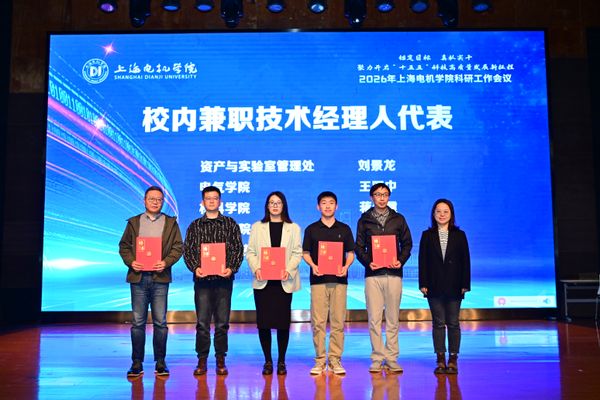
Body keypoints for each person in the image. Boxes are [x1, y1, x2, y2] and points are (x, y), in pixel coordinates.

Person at [118, 185, 183, 377]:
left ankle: (160, 362)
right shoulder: (134, 222)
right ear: (144, 201)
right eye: (152, 199)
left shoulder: (170, 223)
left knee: (160, 322)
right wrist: (131, 262)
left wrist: (166, 262)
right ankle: (136, 363)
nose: (155, 202)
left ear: (163, 202)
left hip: (160, 278)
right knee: (138, 322)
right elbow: (124, 246)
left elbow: (178, 247)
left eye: (159, 199)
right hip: (138, 278)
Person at [183, 186, 244, 376]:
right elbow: (188, 251)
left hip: (224, 281)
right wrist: (195, 267)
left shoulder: (230, 224)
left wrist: (231, 268)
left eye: (215, 198)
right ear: (202, 202)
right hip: (202, 281)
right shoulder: (195, 226)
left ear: (220, 201)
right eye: (208, 198)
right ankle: (202, 360)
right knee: (202, 323)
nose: (211, 201)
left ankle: (220, 359)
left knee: (222, 323)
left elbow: (238, 249)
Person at [355, 183, 412, 374]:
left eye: (385, 194)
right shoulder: (364, 220)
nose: (381, 198)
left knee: (393, 318)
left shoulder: (398, 219)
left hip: (394, 274)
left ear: (389, 197)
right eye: (378, 194)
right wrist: (368, 262)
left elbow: (407, 244)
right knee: (374, 319)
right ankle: (377, 358)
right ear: (371, 197)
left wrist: (400, 260)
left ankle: (392, 358)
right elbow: (358, 246)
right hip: (373, 275)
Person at [246, 191, 302, 376]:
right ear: (267, 206)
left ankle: (281, 361)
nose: (275, 205)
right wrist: (256, 268)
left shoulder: (293, 228)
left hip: (283, 281)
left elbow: (297, 253)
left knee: (282, 323)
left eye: (278, 202)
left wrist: (289, 270)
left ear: (283, 205)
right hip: (263, 281)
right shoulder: (257, 227)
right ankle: (268, 361)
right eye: (272, 202)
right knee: (264, 323)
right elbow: (251, 252)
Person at [302, 191, 355, 375]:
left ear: (336, 206)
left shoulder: (344, 229)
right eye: (324, 203)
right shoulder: (311, 229)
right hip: (318, 280)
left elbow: (350, 253)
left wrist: (346, 266)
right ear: (318, 207)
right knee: (318, 322)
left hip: (339, 280)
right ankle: (319, 360)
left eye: (331, 203)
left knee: (338, 321)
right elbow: (305, 253)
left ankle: (334, 360)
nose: (327, 206)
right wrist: (313, 265)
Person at [418, 199, 471, 374]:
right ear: (433, 214)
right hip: (433, 285)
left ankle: (453, 359)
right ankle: (440, 358)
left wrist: (465, 284)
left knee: (453, 323)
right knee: (438, 323)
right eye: (438, 211)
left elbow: (465, 261)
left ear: (451, 214)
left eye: (445, 211)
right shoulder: (427, 235)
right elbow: (422, 261)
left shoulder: (459, 235)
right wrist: (423, 283)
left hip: (455, 285)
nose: (442, 215)